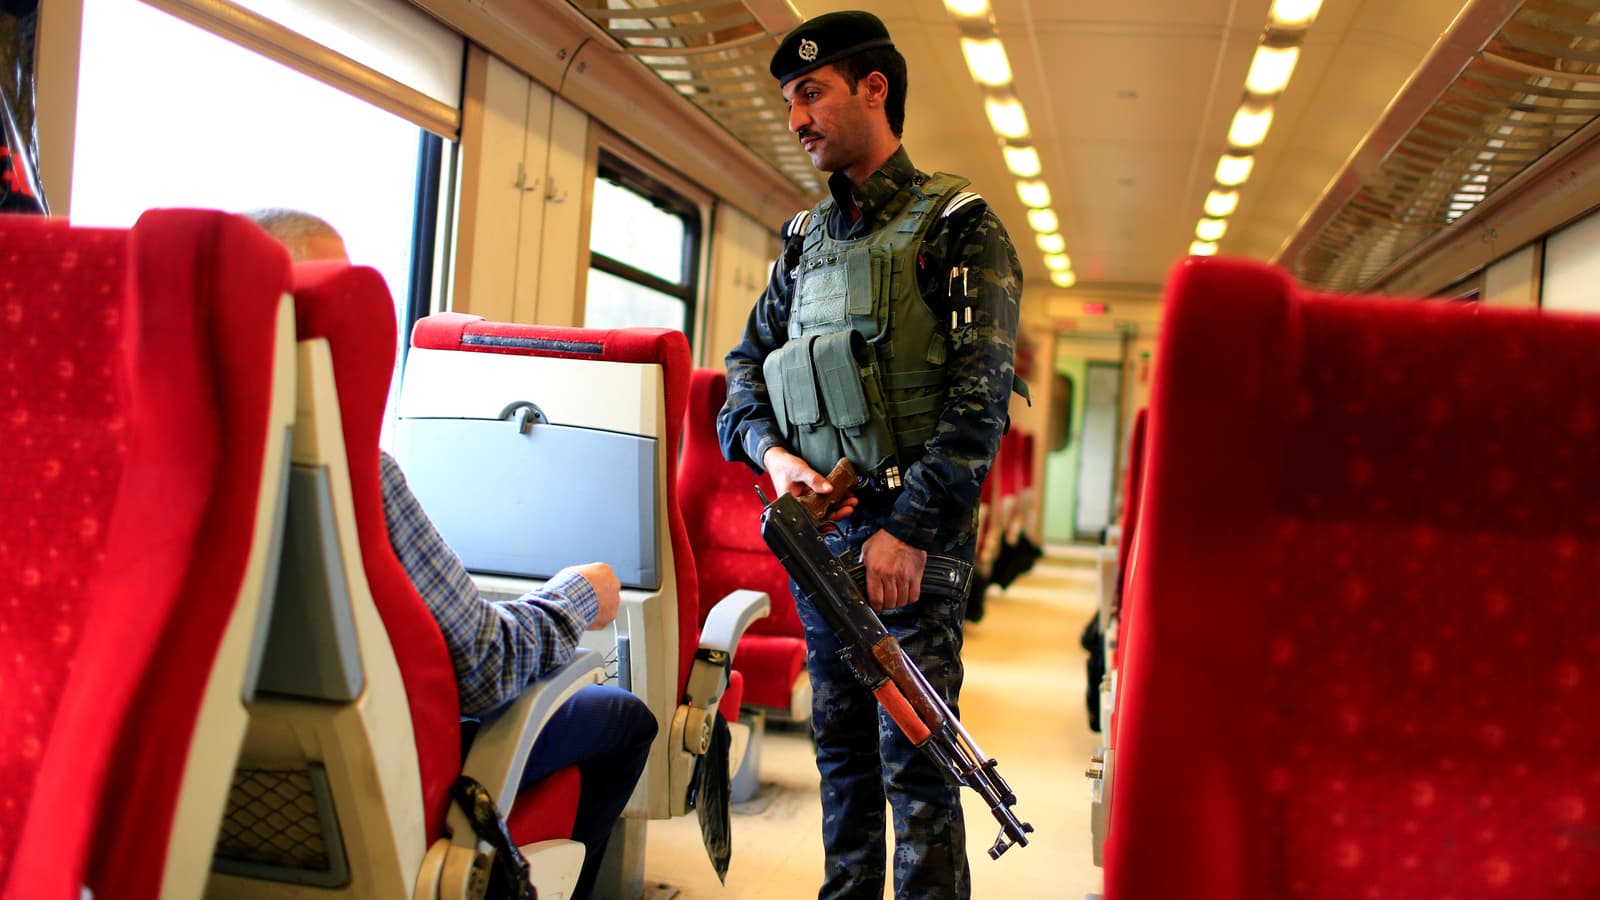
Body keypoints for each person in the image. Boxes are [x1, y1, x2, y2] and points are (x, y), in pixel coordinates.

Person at [243, 207, 656, 900]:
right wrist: (579, 593)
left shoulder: (134, 468)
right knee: (621, 715)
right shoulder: (355, 473)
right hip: (391, 768)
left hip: (238, 783)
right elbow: (485, 668)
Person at [716, 11, 1023, 900]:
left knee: (917, 768)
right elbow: (744, 371)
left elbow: (978, 408)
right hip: (822, 540)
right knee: (842, 761)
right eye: (788, 102)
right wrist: (775, 458)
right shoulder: (804, 245)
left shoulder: (959, 228)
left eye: (811, 93)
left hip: (910, 545)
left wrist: (912, 535)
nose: (797, 117)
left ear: (874, 89)